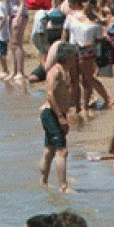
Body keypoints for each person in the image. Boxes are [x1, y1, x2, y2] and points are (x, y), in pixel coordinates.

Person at [41, 42, 77, 192]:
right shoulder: (55, 71)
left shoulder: (65, 70)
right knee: (61, 150)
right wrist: (60, 116)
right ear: (67, 56)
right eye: (73, 56)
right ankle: (63, 186)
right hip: (51, 113)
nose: (75, 58)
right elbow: (50, 94)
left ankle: (43, 184)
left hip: (58, 113)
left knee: (49, 150)